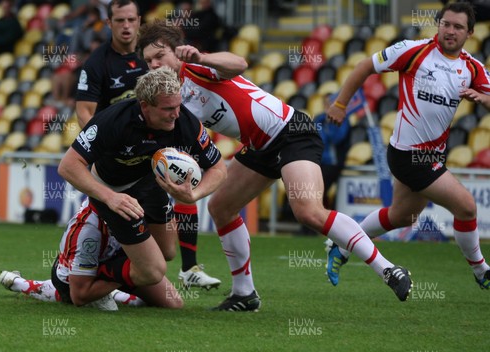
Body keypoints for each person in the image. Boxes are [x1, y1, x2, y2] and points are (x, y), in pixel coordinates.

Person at [137, 20, 414, 311]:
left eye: (160, 56)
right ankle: (245, 294)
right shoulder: (171, 97)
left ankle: (389, 269)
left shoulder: (195, 67)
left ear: (176, 53)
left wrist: (201, 56)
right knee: (221, 207)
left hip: (291, 133)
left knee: (308, 212)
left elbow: (239, 63)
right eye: (148, 60)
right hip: (259, 147)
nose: (154, 64)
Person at [325, 2, 490, 289]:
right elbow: (365, 66)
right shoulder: (413, 51)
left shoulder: (472, 68)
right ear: (438, 25)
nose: (450, 31)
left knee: (403, 215)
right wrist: (340, 104)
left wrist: (483, 99)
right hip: (407, 155)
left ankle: (341, 245)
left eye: (458, 27)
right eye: (446, 24)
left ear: (470, 33)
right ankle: (481, 272)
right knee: (466, 207)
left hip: (431, 155)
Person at [75, 0, 220, 289]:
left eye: (131, 20)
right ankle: (87, 269)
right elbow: (84, 111)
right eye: (119, 21)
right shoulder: (97, 63)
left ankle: (186, 267)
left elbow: (237, 66)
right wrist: (96, 144)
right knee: (149, 263)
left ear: (139, 21)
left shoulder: (152, 59)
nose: (126, 26)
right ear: (109, 23)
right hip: (116, 154)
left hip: (153, 153)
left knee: (168, 243)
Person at [59, 66, 227, 294]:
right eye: (168, 108)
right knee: (153, 272)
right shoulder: (113, 120)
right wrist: (111, 198)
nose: (176, 114)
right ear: (145, 106)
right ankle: (92, 273)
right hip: (113, 189)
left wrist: (193, 195)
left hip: (147, 182)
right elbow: (68, 166)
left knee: (167, 252)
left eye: (177, 106)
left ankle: (123, 260)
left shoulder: (184, 120)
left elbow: (218, 168)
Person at [0, 199, 182, 310]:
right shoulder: (88, 231)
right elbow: (79, 295)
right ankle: (23, 284)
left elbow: (168, 251)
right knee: (83, 296)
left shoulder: (142, 200)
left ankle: (115, 291)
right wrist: (139, 271)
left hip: (118, 262)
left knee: (172, 303)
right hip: (73, 277)